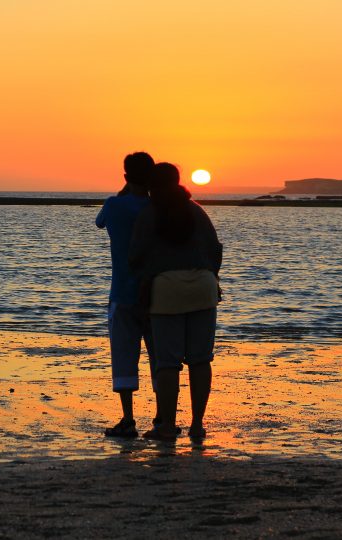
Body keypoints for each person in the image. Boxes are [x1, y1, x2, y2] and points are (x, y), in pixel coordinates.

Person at [129, 162, 222, 440]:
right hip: (203, 288)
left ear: (151, 187)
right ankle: (197, 425)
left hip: (166, 290)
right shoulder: (197, 211)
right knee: (200, 360)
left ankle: (168, 426)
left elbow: (135, 257)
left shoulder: (149, 214)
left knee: (167, 363)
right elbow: (215, 251)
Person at [96, 152, 157, 437]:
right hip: (158, 293)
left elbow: (99, 222)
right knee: (160, 357)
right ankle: (162, 417)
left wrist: (123, 192)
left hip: (122, 292)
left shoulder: (114, 205)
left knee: (123, 355)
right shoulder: (157, 207)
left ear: (125, 177)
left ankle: (128, 419)